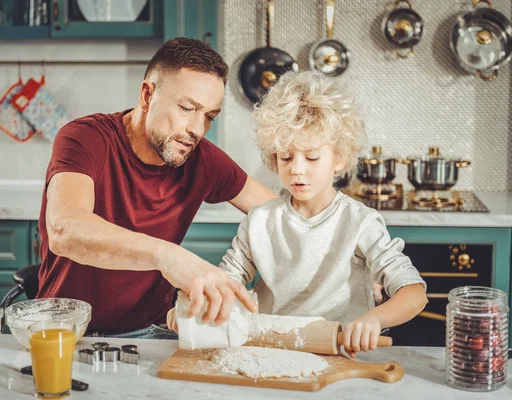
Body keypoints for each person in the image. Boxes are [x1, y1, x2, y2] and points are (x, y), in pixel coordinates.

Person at [168, 70, 427, 356]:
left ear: (339, 157)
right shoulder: (259, 221)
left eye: (312, 157)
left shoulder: (359, 222)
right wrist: (194, 308)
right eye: (286, 157)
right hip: (269, 352)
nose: (297, 169)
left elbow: (414, 293)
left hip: (340, 353)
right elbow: (227, 286)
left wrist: (374, 319)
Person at [36, 37, 276, 339]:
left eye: (209, 117)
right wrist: (169, 257)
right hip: (64, 330)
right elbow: (65, 230)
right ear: (147, 95)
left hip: (148, 333)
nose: (196, 129)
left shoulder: (202, 159)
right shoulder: (85, 138)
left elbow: (279, 215)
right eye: (187, 108)